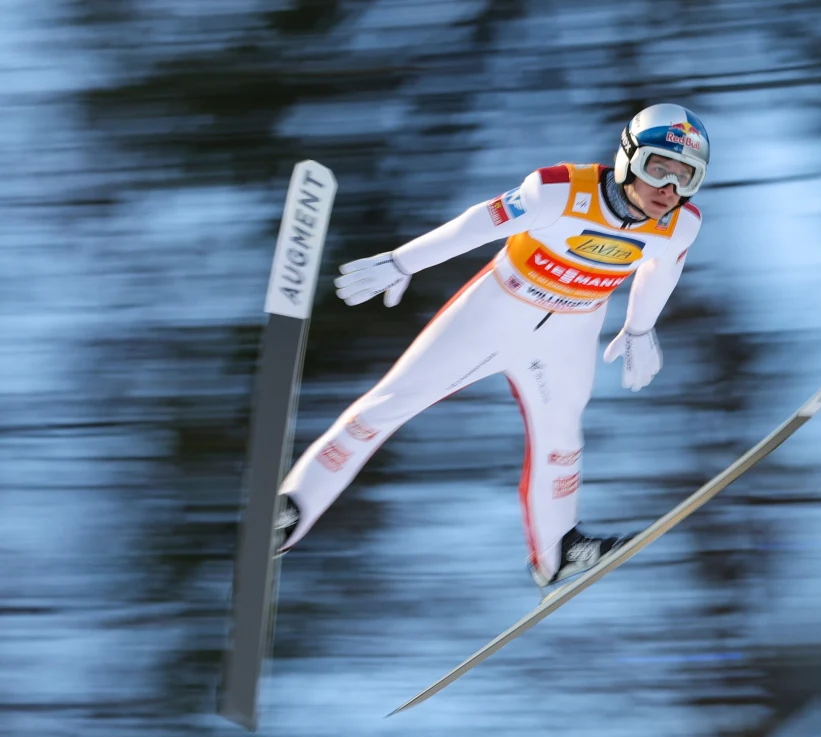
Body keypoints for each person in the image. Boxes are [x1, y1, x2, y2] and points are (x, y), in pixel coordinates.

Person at [273, 103, 710, 590]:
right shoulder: (559, 190)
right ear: (628, 157)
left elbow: (662, 270)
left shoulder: (681, 223)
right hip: (497, 310)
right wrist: (402, 263)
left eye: (686, 177)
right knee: (388, 405)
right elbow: (476, 225)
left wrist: (638, 329)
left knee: (563, 438)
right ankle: (293, 508)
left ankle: (556, 551)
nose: (669, 189)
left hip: (570, 332)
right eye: (658, 168)